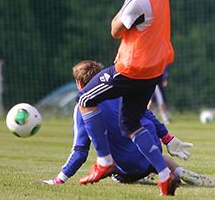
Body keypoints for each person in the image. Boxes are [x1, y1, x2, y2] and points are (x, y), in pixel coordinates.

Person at [76, 0, 176, 196]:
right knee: (130, 123)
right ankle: (164, 175)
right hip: (153, 69)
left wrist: (125, 11)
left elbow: (115, 30)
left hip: (132, 68)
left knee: (86, 99)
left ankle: (105, 161)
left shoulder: (138, 1)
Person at [43, 61, 213, 187]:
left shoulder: (83, 107)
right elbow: (148, 114)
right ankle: (177, 171)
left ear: (79, 85)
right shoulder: (121, 93)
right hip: (151, 150)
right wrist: (168, 138)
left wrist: (59, 179)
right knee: (152, 153)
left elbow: (80, 151)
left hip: (127, 168)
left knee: (109, 165)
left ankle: (138, 176)